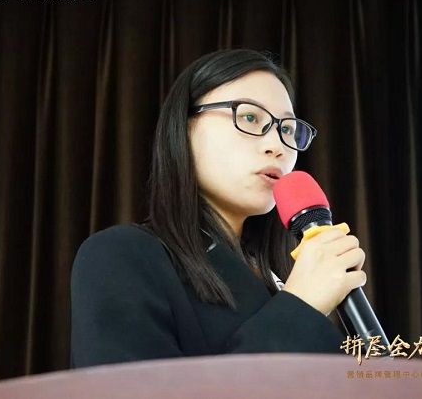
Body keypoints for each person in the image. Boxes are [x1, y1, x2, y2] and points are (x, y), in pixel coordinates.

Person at [70, 49, 367, 368]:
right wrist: (300, 306)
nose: (277, 147)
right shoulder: (122, 255)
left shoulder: (281, 280)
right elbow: (131, 388)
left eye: (286, 130)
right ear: (184, 128)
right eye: (250, 117)